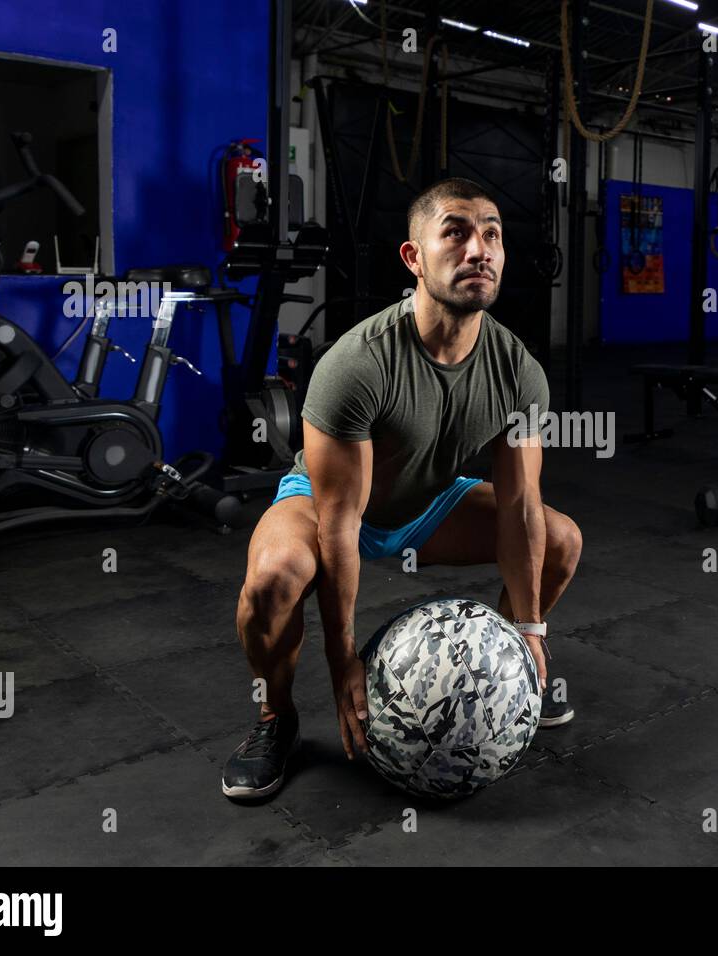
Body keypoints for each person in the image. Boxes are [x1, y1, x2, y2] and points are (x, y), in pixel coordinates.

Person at [222, 177, 582, 800]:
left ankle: (496, 681)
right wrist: (344, 665)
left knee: (559, 538)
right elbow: (340, 523)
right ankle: (275, 719)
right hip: (328, 507)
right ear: (414, 258)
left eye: (492, 235)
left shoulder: (518, 371)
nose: (480, 250)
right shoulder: (356, 363)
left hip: (428, 505)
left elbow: (520, 503)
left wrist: (527, 630)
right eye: (457, 233)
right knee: (274, 578)